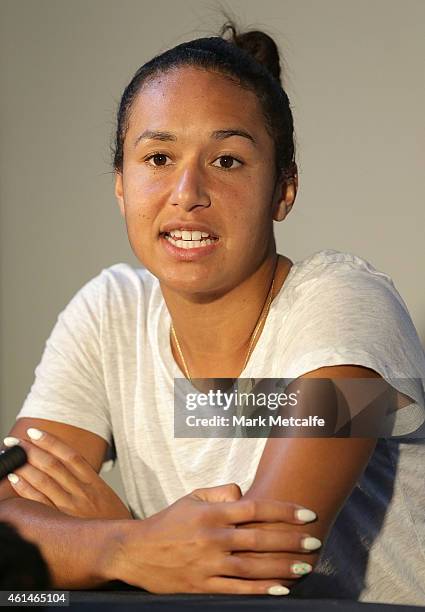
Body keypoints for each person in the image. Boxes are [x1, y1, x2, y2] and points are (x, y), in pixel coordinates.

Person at [0, 20, 424, 603]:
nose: (186, 192)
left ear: (284, 190)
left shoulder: (349, 302)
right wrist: (131, 543)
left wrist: (108, 548)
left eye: (227, 161)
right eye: (157, 157)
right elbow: (5, 526)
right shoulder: (109, 310)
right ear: (120, 184)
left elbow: (269, 559)